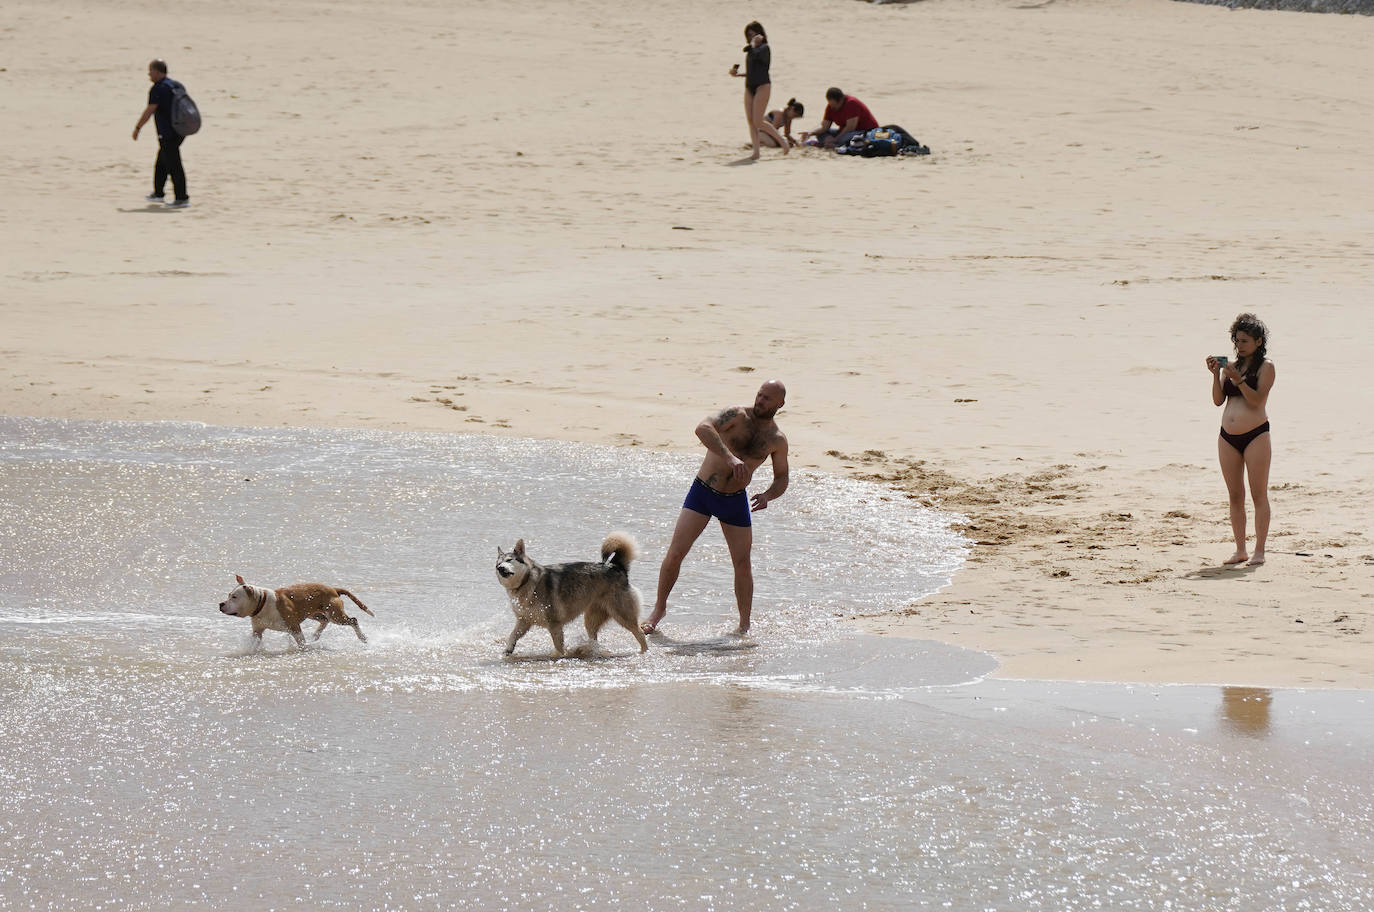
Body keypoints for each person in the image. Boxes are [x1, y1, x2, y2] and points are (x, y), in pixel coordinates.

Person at [642, 380, 790, 636]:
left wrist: (768, 495)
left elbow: (782, 477)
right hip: (703, 492)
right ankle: (658, 610)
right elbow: (702, 428)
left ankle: (744, 625)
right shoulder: (736, 415)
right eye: (759, 394)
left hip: (734, 500)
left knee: (742, 564)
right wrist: (729, 457)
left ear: (780, 404)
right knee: (676, 553)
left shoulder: (777, 439)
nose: (760, 400)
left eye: (767, 398)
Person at [1205, 313, 1276, 566]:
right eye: (1237, 340)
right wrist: (1216, 375)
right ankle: (1240, 550)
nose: (1240, 345)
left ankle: (1259, 551)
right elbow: (1218, 401)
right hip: (1227, 437)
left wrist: (1239, 380)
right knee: (1235, 495)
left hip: (1256, 434)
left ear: (1258, 341)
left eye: (1245, 340)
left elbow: (1257, 401)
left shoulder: (1266, 367)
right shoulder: (1232, 366)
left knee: (1258, 494)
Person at [132, 59, 189, 208]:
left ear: (157, 72)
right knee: (162, 162)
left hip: (168, 133)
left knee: (174, 165)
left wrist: (138, 128)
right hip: (181, 131)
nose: (149, 74)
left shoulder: (158, 88)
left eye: (150, 71)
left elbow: (150, 110)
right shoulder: (177, 85)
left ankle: (182, 198)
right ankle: (158, 193)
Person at [729, 22, 788, 161]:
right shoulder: (751, 50)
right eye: (749, 35)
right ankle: (756, 152)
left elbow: (762, 66)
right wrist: (736, 74)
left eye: (754, 34)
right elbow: (752, 71)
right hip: (749, 86)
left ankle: (782, 141)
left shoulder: (764, 48)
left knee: (758, 121)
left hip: (763, 86)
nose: (752, 37)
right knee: (750, 121)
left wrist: (755, 45)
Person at [802, 87, 879, 148]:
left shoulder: (851, 103)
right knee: (821, 134)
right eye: (831, 105)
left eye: (835, 106)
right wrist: (810, 133)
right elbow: (825, 127)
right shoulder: (830, 107)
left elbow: (850, 127)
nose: (833, 108)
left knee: (845, 138)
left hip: (864, 131)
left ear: (841, 100)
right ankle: (830, 143)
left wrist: (835, 139)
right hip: (844, 131)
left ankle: (834, 144)